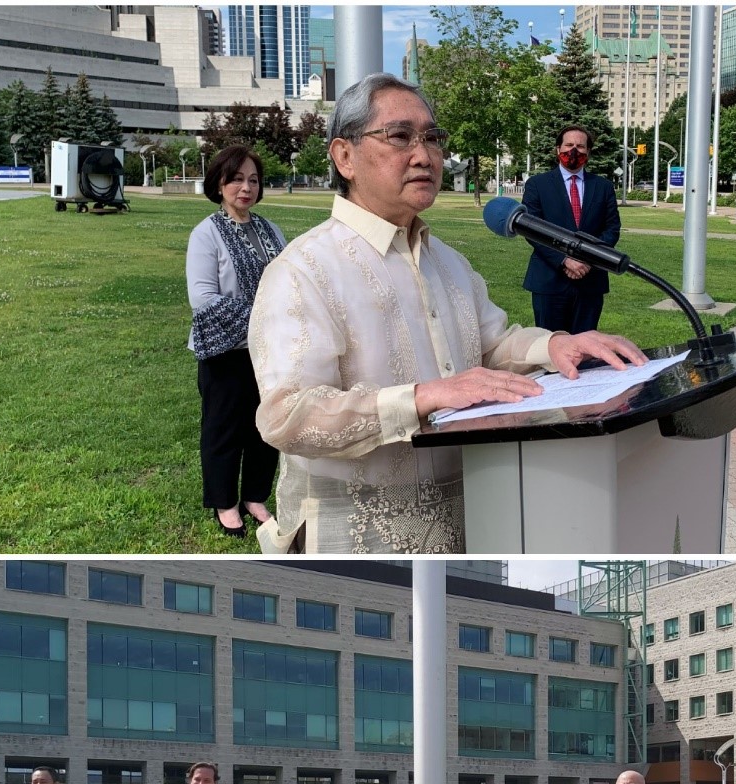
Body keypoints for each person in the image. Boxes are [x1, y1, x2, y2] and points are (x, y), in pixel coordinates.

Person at [247, 73, 646, 554]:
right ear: (344, 157)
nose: (424, 155)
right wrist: (421, 398)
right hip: (359, 543)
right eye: (399, 136)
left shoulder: (449, 263)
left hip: (475, 517)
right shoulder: (303, 270)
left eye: (432, 138)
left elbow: (493, 344)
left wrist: (556, 345)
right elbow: (288, 416)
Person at [187, 144, 286, 538]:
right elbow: (203, 298)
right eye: (236, 179)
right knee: (223, 429)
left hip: (269, 352)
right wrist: (262, 319)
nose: (245, 187)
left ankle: (254, 497)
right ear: (219, 183)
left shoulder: (270, 229)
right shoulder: (206, 233)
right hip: (225, 351)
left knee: (265, 427)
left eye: (253, 180)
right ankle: (225, 503)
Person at [521, 126, 622, 333]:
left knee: (586, 353)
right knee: (550, 351)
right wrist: (565, 260)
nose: (574, 151)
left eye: (580, 146)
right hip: (549, 281)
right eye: (568, 145)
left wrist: (587, 259)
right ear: (558, 149)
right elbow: (532, 230)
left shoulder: (603, 187)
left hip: (590, 281)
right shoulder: (537, 185)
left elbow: (612, 229)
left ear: (588, 152)